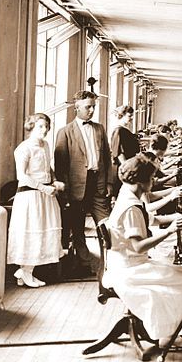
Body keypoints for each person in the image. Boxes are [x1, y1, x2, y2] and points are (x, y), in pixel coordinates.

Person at [103, 155, 182, 348]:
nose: (153, 182)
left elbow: (151, 220)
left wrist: (179, 217)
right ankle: (178, 335)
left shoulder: (127, 194)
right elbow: (139, 246)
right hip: (129, 270)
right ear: (141, 181)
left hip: (130, 263)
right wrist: (170, 230)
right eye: (151, 178)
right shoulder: (131, 208)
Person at [54, 90, 113, 276]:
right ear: (76, 107)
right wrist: (65, 191)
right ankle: (85, 264)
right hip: (76, 187)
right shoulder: (64, 132)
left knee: (107, 225)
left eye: (94, 106)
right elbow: (60, 166)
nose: (92, 110)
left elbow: (107, 158)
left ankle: (109, 263)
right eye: (88, 107)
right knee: (77, 228)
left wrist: (109, 183)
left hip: (98, 184)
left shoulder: (99, 129)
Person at [7, 113, 66, 287]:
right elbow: (22, 176)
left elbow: (47, 168)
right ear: (31, 126)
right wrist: (44, 188)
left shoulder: (45, 145)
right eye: (40, 126)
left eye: (47, 126)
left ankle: (26, 272)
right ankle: (25, 272)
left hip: (45, 195)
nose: (45, 130)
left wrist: (54, 180)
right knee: (32, 232)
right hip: (30, 196)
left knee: (42, 232)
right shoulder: (23, 148)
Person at [110, 105, 140, 197]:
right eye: (129, 116)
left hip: (127, 166)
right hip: (123, 168)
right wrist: (127, 171)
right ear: (121, 116)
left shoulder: (124, 130)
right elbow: (119, 153)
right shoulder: (119, 131)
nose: (131, 118)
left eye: (132, 116)